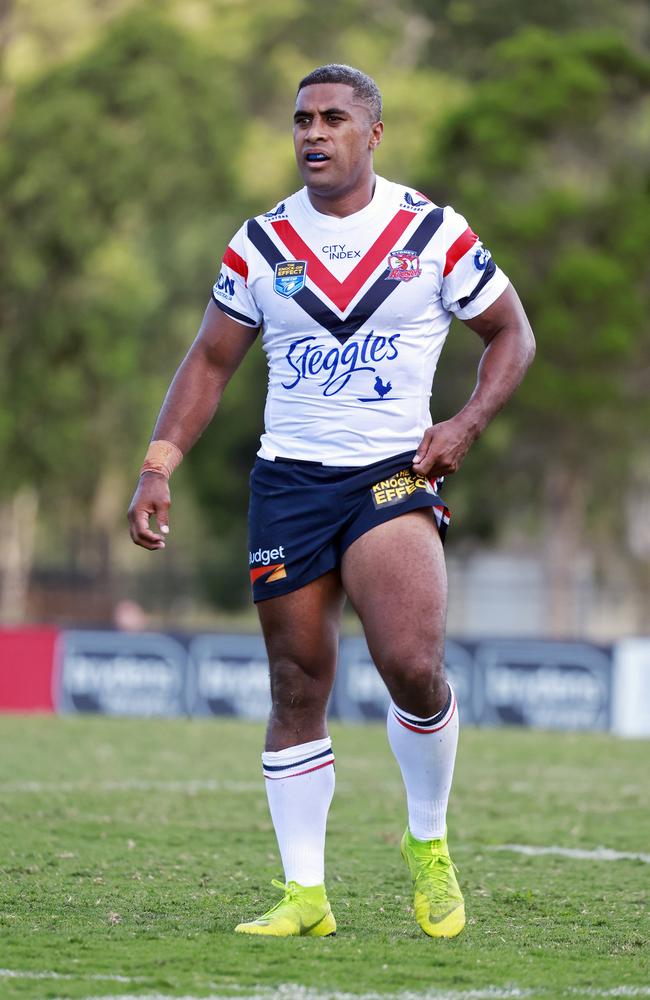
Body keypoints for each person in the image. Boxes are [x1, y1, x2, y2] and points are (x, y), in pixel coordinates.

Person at [128, 64, 535, 940]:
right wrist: (158, 464)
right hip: (290, 482)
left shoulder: (433, 231)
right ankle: (304, 894)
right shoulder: (262, 243)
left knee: (412, 663)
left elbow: (511, 334)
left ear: (373, 134)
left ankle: (427, 844)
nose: (314, 133)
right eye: (303, 120)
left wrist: (463, 425)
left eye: (334, 119)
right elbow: (209, 361)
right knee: (295, 682)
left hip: (390, 473)